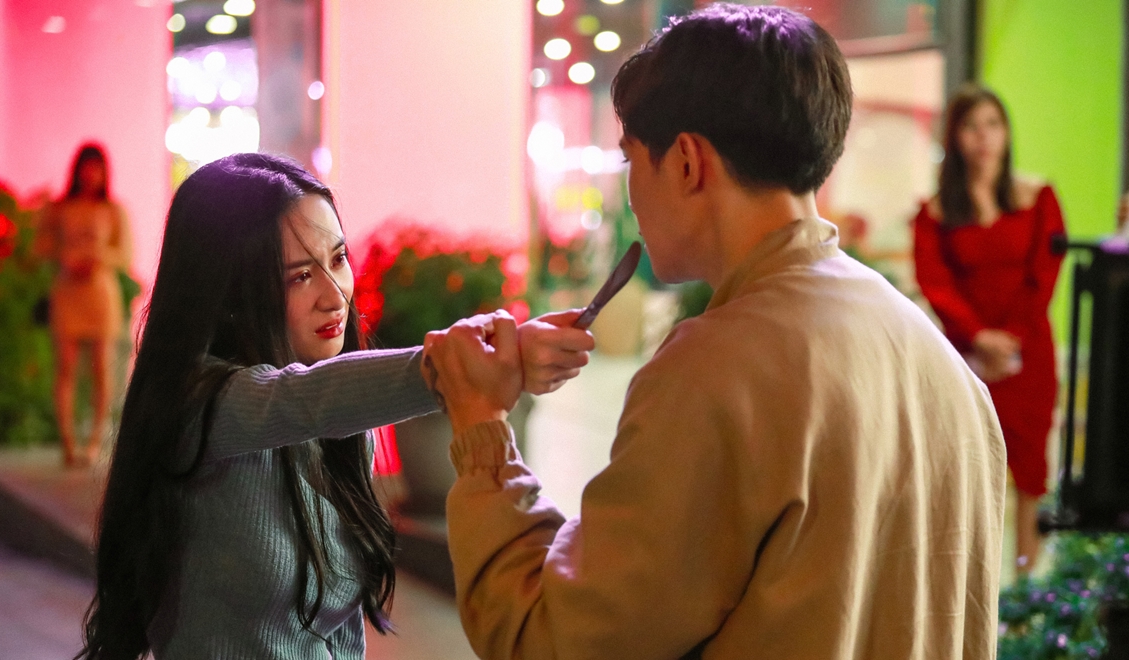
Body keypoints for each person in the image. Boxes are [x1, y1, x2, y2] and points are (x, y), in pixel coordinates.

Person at [423, 5, 1007, 658]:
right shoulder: (936, 357)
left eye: (630, 161)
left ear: (686, 162)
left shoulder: (713, 370)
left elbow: (554, 637)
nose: (631, 196)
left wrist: (482, 427)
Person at [77, 153, 591, 660]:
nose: (334, 296)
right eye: (299, 276)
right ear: (231, 292)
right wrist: (468, 362)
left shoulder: (343, 421)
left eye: (339, 259)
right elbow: (301, 399)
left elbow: (340, 636)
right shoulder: (201, 403)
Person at [913, 84, 1066, 575]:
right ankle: (972, 588)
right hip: (965, 358)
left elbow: (1045, 274)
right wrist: (979, 337)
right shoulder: (934, 211)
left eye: (993, 124)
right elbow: (934, 282)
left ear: (1007, 133)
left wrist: (1011, 338)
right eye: (971, 126)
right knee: (966, 475)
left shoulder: (1039, 196)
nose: (983, 137)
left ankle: (1025, 583)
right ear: (954, 136)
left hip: (1029, 354)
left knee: (1030, 475)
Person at [35, 143, 132, 467]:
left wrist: (98, 258)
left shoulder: (113, 210)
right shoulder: (60, 208)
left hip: (100, 293)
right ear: (77, 170)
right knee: (66, 367)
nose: (90, 174)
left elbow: (124, 254)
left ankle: (94, 441)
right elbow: (41, 245)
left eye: (96, 168)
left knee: (101, 369)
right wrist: (65, 257)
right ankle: (67, 441)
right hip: (68, 292)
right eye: (86, 167)